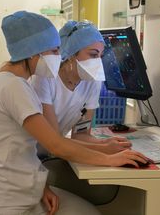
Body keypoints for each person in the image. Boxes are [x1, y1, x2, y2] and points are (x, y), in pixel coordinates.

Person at [0, 11, 149, 215]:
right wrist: (109, 158)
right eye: (54, 51)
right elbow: (54, 144)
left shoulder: (14, 83)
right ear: (33, 51)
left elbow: (21, 151)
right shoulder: (14, 87)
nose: (59, 57)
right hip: (2, 203)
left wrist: (41, 187)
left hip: (21, 192)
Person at [31, 20, 131, 158]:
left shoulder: (92, 82)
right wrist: (105, 151)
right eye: (93, 55)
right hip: (29, 155)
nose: (98, 62)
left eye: (100, 56)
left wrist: (105, 143)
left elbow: (81, 135)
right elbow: (54, 141)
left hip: (54, 153)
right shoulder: (45, 79)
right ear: (71, 55)